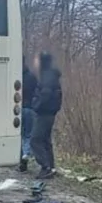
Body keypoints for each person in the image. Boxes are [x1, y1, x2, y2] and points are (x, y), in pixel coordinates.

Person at [31, 51, 63, 180]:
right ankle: (51, 167)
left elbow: (45, 94)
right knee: (45, 140)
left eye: (37, 60)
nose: (35, 62)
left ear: (42, 61)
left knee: (35, 139)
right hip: (50, 113)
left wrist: (36, 105)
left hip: (44, 113)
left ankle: (45, 167)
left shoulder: (47, 76)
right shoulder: (50, 75)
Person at [18, 57, 38, 172]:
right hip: (30, 108)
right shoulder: (32, 77)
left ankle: (21, 160)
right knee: (27, 134)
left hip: (17, 109)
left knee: (19, 135)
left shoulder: (15, 76)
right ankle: (26, 154)